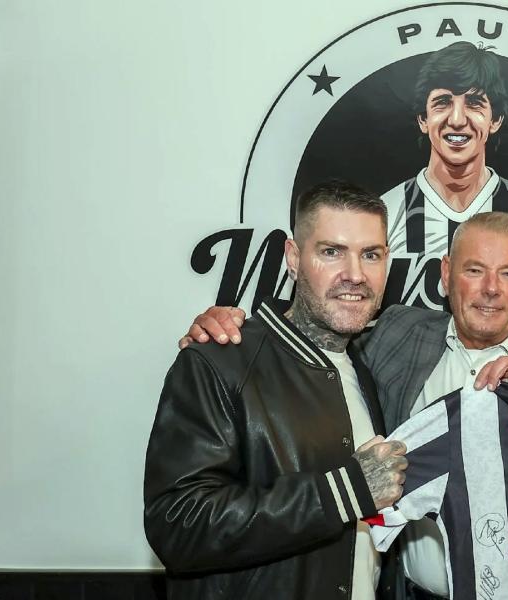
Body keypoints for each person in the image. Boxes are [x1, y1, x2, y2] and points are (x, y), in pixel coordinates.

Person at [181, 211, 508, 600]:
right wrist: (233, 335)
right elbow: (314, 335)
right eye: (474, 270)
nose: (490, 289)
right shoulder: (394, 336)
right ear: (446, 274)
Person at [145, 180, 409, 600]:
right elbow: (179, 526)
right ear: (293, 257)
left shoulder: (365, 371)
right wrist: (343, 492)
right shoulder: (219, 361)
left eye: (371, 255)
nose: (355, 275)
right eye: (331, 251)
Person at [382, 41, 508, 264]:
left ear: (495, 120)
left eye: (474, 103)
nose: (457, 120)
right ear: (423, 119)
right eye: (443, 102)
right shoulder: (386, 214)